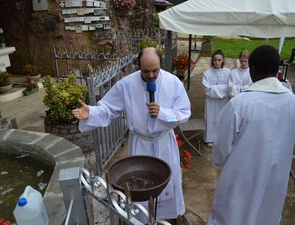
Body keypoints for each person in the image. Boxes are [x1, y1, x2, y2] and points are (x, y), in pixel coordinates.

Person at [72, 47, 191, 222]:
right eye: (146, 71)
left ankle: (167, 219)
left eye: (155, 70)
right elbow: (108, 108)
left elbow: (184, 112)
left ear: (160, 65)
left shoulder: (173, 83)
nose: (151, 75)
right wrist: (91, 112)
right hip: (140, 145)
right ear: (138, 66)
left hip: (164, 142)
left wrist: (162, 113)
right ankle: (141, 220)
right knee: (139, 189)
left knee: (168, 188)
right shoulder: (126, 85)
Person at [207, 45, 295, 225]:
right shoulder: (292, 102)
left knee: (233, 216)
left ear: (252, 69)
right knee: (266, 215)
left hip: (240, 179)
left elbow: (221, 148)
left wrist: (220, 164)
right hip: (275, 179)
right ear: (277, 69)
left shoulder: (240, 103)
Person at [202, 49, 230, 146]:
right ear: (212, 60)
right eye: (215, 60)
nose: (217, 62)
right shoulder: (207, 73)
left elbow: (229, 87)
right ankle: (209, 138)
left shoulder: (228, 72)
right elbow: (206, 88)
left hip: (223, 102)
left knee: (222, 118)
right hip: (211, 102)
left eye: (219, 60)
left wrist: (215, 89)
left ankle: (220, 138)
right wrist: (221, 89)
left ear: (223, 60)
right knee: (210, 118)